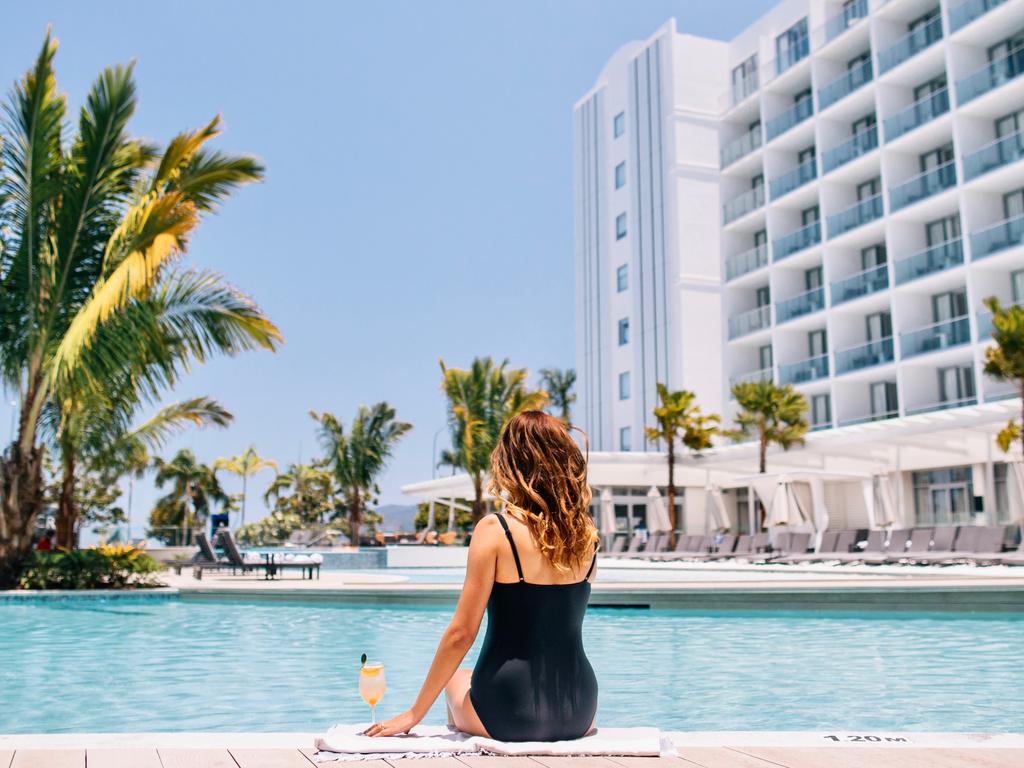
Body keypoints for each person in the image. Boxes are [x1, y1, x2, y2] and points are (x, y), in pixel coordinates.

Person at [367, 410, 599, 741]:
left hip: (510, 713)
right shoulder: (587, 536)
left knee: (454, 680)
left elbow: (461, 633)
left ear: (511, 464)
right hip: (580, 709)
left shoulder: (496, 530)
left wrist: (414, 713)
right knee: (467, 676)